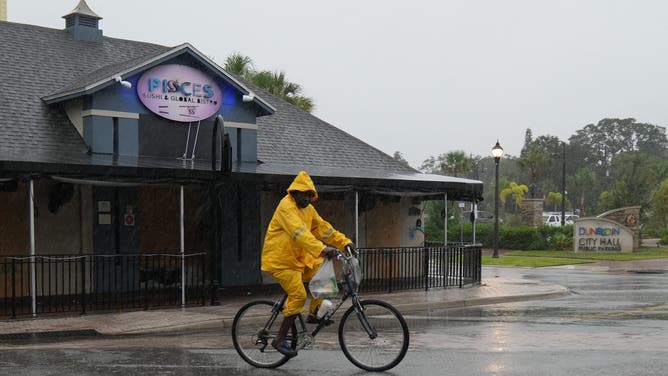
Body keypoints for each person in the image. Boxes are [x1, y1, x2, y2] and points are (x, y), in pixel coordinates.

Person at [261, 171, 354, 358]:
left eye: (310, 195)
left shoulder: (308, 209)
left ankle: (314, 314)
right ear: (293, 193)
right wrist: (321, 249)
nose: (307, 199)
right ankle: (279, 339)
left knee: (323, 270)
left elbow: (323, 229)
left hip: (300, 258)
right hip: (281, 260)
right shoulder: (286, 207)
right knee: (298, 295)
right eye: (304, 194)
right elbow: (299, 233)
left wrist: (345, 242)